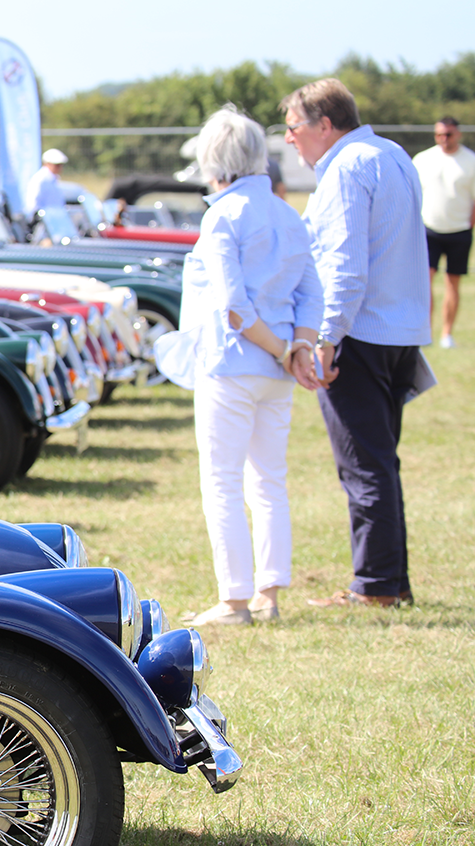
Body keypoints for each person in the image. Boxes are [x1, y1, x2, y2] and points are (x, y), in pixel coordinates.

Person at [281, 78, 431, 610]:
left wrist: (325, 338)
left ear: (325, 124)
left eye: (295, 127)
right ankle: (391, 580)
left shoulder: (345, 168)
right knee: (378, 462)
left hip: (359, 334)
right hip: (399, 331)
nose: (290, 139)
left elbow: (344, 265)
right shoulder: (392, 153)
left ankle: (376, 586)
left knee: (365, 466)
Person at [173, 107, 323, 628]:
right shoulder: (288, 213)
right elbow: (311, 292)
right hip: (276, 368)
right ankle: (269, 592)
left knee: (222, 480)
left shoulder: (222, 216)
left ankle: (234, 599)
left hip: (233, 362)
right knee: (269, 480)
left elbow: (233, 307)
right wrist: (298, 348)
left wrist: (286, 350)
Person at [412, 117, 475, 349]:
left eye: (448, 134)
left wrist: (468, 226)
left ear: (458, 134)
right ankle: (425, 331)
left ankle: (446, 334)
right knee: (424, 283)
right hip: (429, 229)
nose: (443, 139)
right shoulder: (423, 159)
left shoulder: (470, 161)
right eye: (439, 134)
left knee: (453, 284)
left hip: (459, 231)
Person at [23, 148, 67, 216]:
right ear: (47, 164)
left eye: (60, 165)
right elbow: (32, 203)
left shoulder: (54, 179)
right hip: (44, 221)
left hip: (55, 219)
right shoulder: (40, 179)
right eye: (56, 165)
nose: (60, 168)